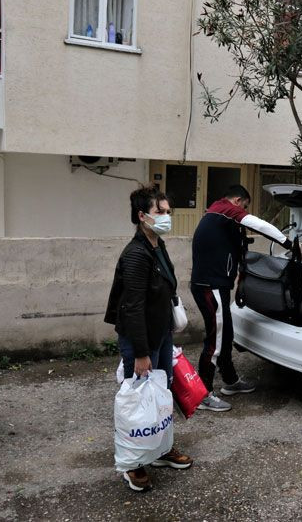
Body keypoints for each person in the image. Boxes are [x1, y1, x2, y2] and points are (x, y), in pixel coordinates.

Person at [105, 184, 193, 492]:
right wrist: (141, 353)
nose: (167, 216)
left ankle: (161, 449)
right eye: (160, 212)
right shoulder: (136, 254)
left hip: (161, 334)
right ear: (142, 216)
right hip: (141, 340)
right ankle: (133, 464)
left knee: (161, 393)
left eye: (168, 211)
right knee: (138, 400)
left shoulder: (157, 246)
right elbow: (132, 307)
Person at [191, 185, 294, 411]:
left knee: (226, 333)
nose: (244, 211)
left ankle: (230, 381)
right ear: (238, 201)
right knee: (215, 341)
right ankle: (203, 395)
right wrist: (289, 244)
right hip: (210, 286)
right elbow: (259, 224)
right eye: (245, 206)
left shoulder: (216, 212)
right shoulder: (226, 210)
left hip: (215, 284)